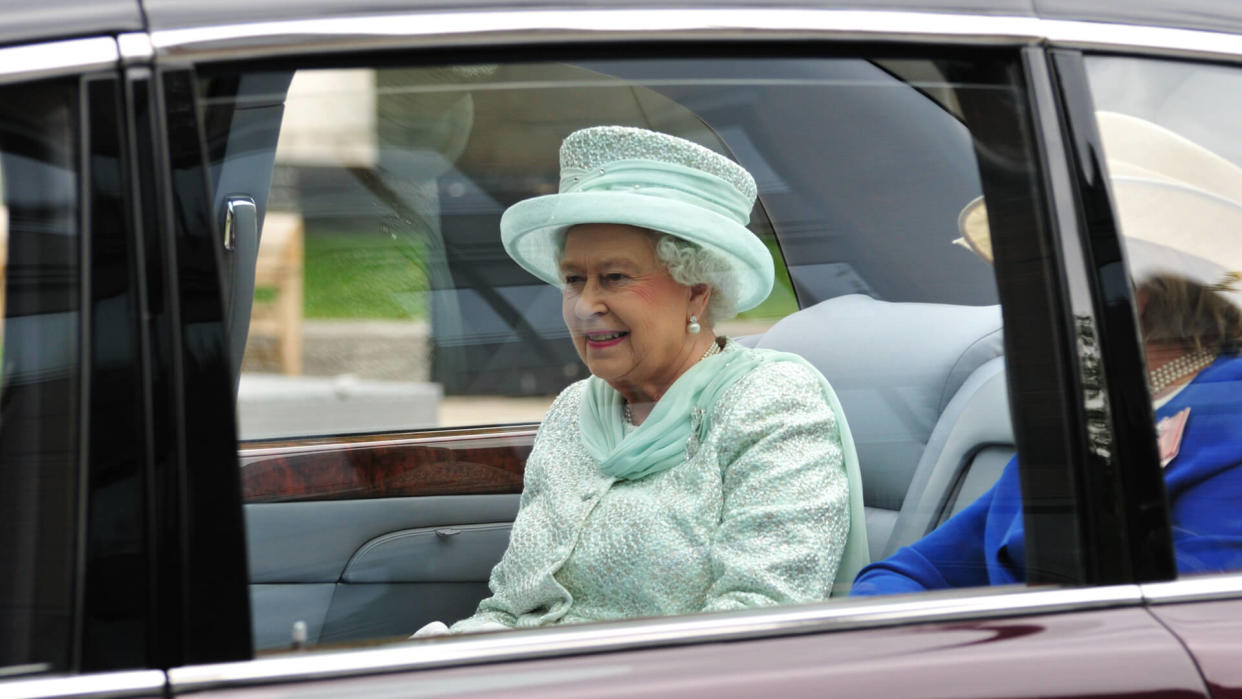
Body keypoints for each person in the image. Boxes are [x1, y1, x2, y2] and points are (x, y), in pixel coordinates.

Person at [419, 125, 868, 635]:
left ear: (696, 292)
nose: (585, 306)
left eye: (615, 277)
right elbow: (512, 606)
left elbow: (758, 622)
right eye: (573, 280)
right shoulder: (573, 409)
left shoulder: (771, 402)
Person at [853, 111, 1242, 595]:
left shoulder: (1229, 413)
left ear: (1141, 286)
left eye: (1046, 269)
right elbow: (914, 570)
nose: (1022, 294)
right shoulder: (1091, 409)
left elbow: (1169, 617)